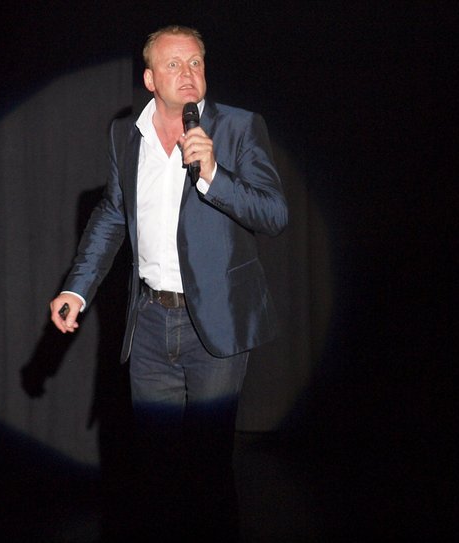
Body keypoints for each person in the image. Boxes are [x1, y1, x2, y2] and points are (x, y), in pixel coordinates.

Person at [48, 25, 287, 540]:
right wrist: (76, 288)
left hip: (216, 326)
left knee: (208, 468)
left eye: (196, 62)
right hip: (151, 325)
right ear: (150, 79)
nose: (188, 73)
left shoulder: (239, 127)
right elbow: (113, 215)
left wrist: (214, 174)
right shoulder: (125, 135)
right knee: (154, 470)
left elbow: (273, 214)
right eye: (174, 65)